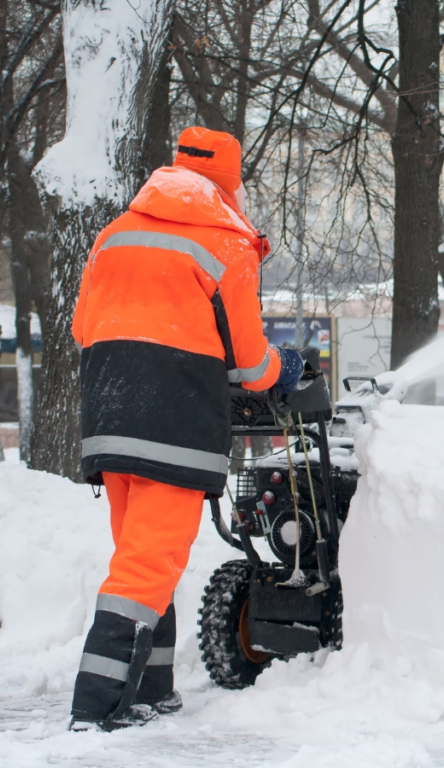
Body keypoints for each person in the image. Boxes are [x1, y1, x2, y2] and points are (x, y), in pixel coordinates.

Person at [68, 127, 304, 731]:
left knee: (146, 558)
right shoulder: (226, 243)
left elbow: (82, 328)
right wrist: (287, 368)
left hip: (109, 417)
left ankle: (152, 688)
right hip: (170, 424)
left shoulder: (115, 234)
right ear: (230, 182)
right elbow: (251, 366)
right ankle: (96, 707)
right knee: (148, 565)